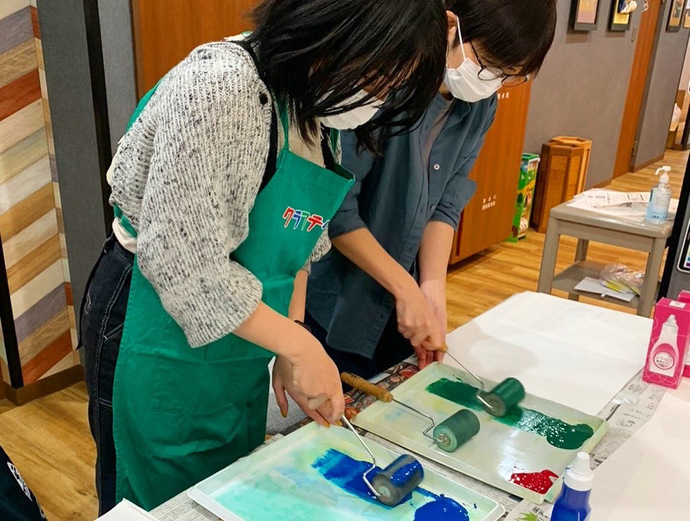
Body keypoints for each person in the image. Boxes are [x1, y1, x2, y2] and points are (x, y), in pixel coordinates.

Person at [79, 0, 448, 513]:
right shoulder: (220, 88)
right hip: (154, 319)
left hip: (242, 333)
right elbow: (184, 266)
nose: (379, 99)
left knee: (226, 480)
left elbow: (300, 243)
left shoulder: (316, 103)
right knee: (155, 498)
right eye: (379, 77)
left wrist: (289, 335)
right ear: (334, 28)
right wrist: (299, 345)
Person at [306, 0, 558, 380]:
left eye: (510, 76)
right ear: (451, 26)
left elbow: (447, 201)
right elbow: (336, 209)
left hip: (401, 300)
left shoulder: (480, 106)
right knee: (337, 397)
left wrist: (432, 286)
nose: (493, 82)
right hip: (341, 297)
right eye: (489, 65)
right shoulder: (384, 84)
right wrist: (406, 289)